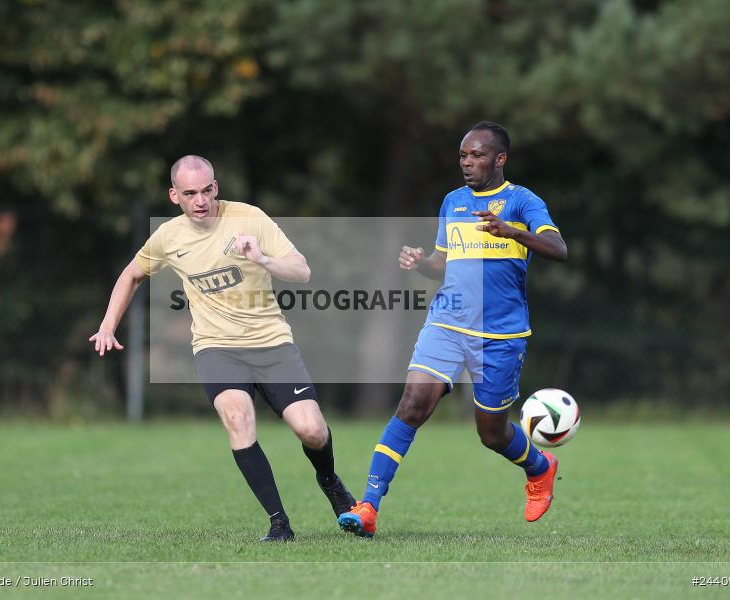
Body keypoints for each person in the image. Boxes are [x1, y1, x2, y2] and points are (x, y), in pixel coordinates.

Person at [90, 155, 354, 542]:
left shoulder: (249, 218)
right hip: (216, 348)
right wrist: (107, 325)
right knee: (237, 418)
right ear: (174, 195)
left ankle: (330, 482)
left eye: (207, 190)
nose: (200, 200)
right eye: (190, 193)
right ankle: (279, 523)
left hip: (271, 343)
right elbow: (131, 275)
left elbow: (302, 271)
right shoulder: (168, 237)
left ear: (217, 187)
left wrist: (262, 258)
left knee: (312, 430)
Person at [338, 121, 568, 537]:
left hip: (500, 336)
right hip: (447, 322)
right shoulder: (453, 202)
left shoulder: (523, 202)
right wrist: (421, 262)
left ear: (499, 159)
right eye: (463, 155)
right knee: (412, 404)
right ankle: (368, 506)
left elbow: (559, 249)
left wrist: (512, 231)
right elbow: (444, 265)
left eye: (477, 155)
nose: (467, 163)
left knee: (492, 433)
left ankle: (540, 466)